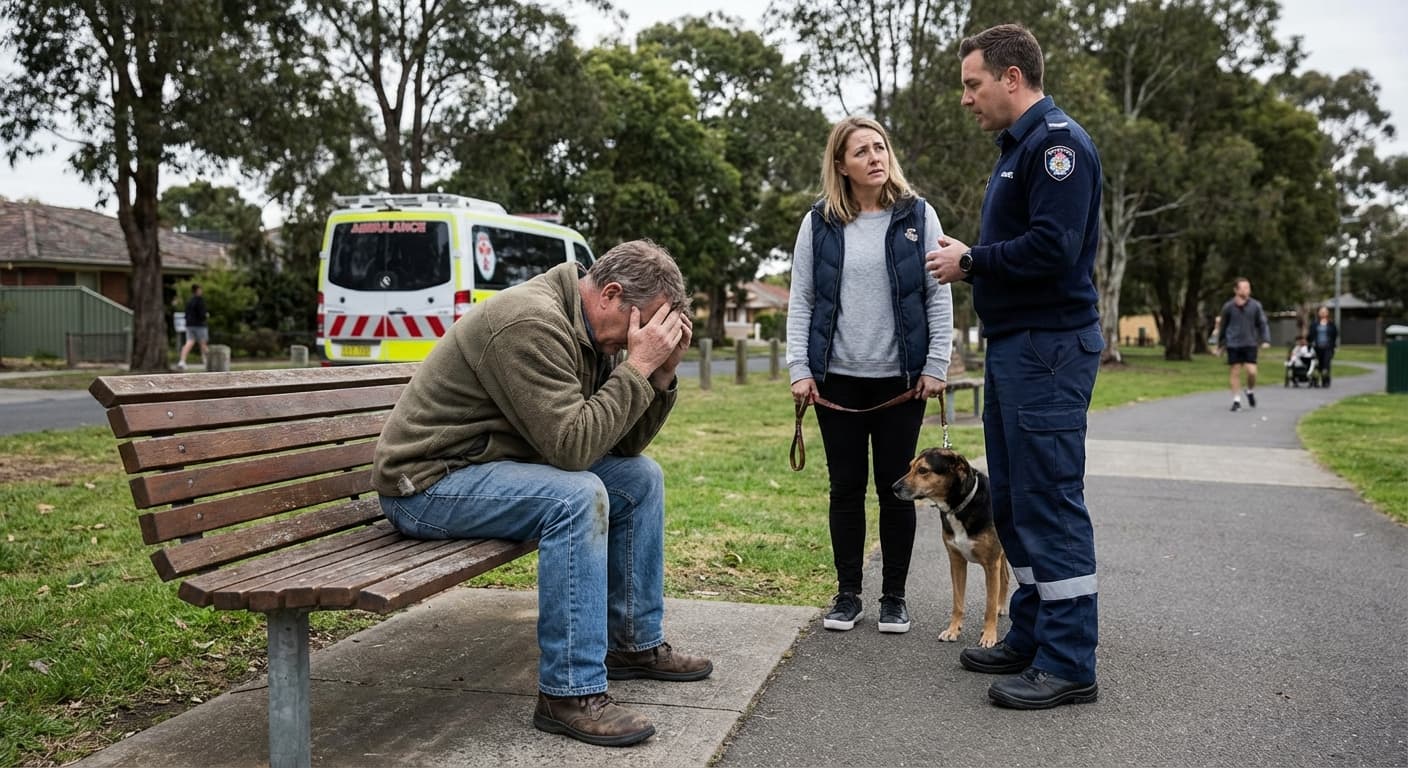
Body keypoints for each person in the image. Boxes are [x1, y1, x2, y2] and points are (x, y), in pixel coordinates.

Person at [372, 240, 711, 748]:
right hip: (427, 484)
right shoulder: (530, 323)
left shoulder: (595, 331)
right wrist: (637, 367)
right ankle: (568, 693)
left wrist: (659, 374)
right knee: (575, 497)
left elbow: (621, 446)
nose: (638, 341)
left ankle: (631, 643)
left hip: (493, 468)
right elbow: (573, 450)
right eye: (640, 327)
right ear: (611, 294)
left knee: (640, 480)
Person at [925, 23, 1103, 709]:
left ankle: (1068, 662)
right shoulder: (1018, 150)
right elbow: (1027, 246)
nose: (967, 98)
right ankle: (1031, 635)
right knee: (1018, 505)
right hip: (1017, 349)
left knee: (1051, 503)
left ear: (1010, 78)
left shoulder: (1057, 147)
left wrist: (971, 261)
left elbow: (1056, 249)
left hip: (1049, 350)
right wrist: (977, 257)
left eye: (973, 84)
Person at [786, 115, 954, 636]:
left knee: (896, 488)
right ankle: (847, 594)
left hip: (901, 382)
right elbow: (802, 300)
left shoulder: (918, 215)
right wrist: (799, 368)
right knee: (845, 487)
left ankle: (895, 598)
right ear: (841, 165)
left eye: (880, 147)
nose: (875, 157)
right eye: (861, 151)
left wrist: (937, 364)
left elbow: (937, 293)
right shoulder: (818, 223)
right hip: (835, 380)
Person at [1215, 277, 1271, 411]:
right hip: (1233, 343)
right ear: (1236, 290)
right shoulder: (1228, 307)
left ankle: (1250, 390)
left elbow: (1262, 324)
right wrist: (1221, 345)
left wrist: (1265, 339)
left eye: (1248, 287)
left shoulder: (1255, 306)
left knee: (1252, 372)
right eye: (1244, 288)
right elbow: (1223, 326)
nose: (1247, 290)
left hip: (1250, 343)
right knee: (1235, 372)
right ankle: (1236, 400)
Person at [176, 284, 208, 370]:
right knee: (203, 344)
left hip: (189, 325)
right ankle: (207, 361)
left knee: (189, 342)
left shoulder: (189, 301)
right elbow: (202, 314)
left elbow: (186, 314)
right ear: (197, 290)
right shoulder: (199, 300)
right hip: (199, 325)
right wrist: (205, 316)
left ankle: (182, 361)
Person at [1311, 305, 1339, 387]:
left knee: (1326, 365)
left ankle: (1325, 380)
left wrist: (1333, 346)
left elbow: (1335, 335)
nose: (1323, 313)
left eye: (1325, 311)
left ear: (1327, 313)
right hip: (1317, 347)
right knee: (1317, 365)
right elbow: (1311, 335)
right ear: (1319, 313)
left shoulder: (1331, 324)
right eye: (1321, 311)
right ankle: (1315, 380)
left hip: (1327, 347)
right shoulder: (1315, 324)